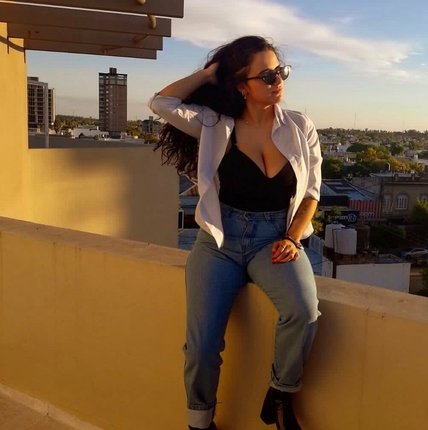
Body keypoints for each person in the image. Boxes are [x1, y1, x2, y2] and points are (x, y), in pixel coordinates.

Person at [148, 35, 322, 430]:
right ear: (242, 85)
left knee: (303, 311)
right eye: (267, 76)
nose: (278, 81)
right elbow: (162, 103)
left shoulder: (300, 127)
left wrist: (292, 237)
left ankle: (281, 393)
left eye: (280, 72)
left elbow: (312, 192)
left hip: (273, 240)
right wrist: (210, 73)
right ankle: (200, 422)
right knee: (202, 347)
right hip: (219, 243)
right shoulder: (214, 125)